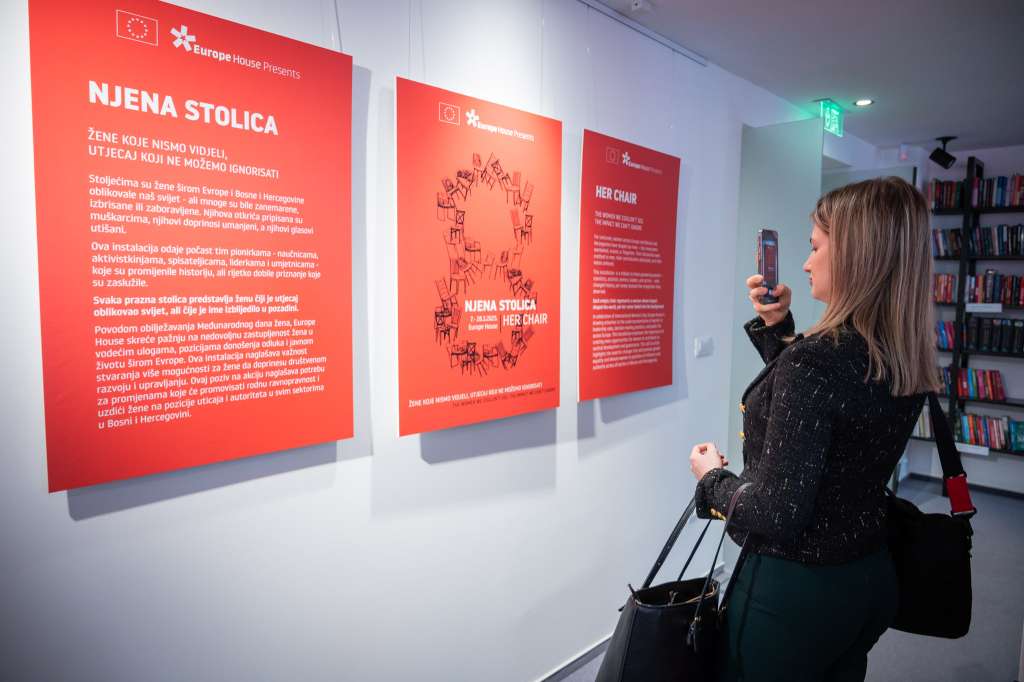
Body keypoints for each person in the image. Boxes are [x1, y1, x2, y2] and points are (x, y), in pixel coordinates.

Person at [688, 176, 941, 682]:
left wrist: (711, 478)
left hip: (794, 595)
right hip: (867, 578)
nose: (805, 263)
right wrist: (779, 329)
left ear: (857, 256)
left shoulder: (817, 362)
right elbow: (828, 413)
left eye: (816, 247)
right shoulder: (900, 355)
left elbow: (777, 511)